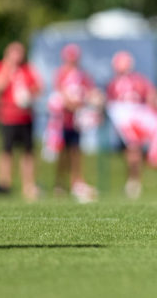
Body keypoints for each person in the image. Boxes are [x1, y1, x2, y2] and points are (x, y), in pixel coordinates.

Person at [0, 42, 42, 201]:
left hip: (25, 116)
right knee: (6, 151)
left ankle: (28, 186)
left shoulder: (27, 69)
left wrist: (28, 95)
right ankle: (5, 184)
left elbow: (38, 88)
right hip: (8, 117)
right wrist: (8, 68)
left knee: (28, 152)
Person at [106, 50, 157, 199]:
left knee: (134, 151)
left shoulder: (139, 81)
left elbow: (151, 95)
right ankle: (132, 181)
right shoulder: (114, 84)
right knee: (130, 153)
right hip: (124, 125)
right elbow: (110, 103)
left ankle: (134, 182)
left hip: (136, 122)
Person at [51, 44, 99, 203]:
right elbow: (60, 95)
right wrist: (73, 104)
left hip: (76, 120)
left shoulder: (82, 75)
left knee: (76, 151)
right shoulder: (61, 74)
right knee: (62, 152)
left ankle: (76, 182)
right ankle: (60, 183)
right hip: (62, 120)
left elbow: (91, 92)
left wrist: (93, 103)